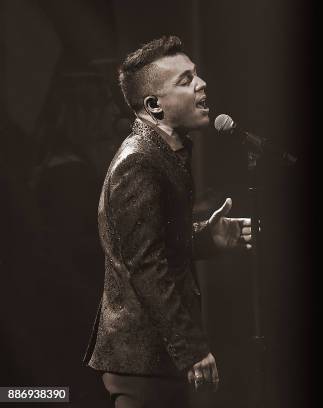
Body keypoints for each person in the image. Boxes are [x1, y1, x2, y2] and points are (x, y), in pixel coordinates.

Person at [83, 35, 252, 407]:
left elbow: (152, 242)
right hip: (143, 362)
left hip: (155, 359)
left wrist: (205, 240)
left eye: (197, 74)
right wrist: (192, 349)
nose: (201, 83)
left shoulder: (162, 153)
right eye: (185, 79)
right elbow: (145, 266)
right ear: (154, 105)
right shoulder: (139, 163)